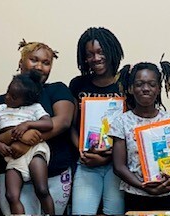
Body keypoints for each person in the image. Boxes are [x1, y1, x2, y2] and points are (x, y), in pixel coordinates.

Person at [0, 40, 76, 215]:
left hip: (54, 175)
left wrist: (28, 141)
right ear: (21, 62)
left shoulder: (58, 90)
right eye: (34, 60)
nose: (39, 66)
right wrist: (19, 136)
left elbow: (62, 122)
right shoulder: (0, 102)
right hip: (13, 173)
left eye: (46, 63)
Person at [109, 60, 170, 211]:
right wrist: (144, 187)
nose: (145, 89)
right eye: (139, 84)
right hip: (136, 196)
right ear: (130, 88)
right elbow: (118, 166)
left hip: (167, 195)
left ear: (158, 88)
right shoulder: (121, 122)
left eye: (151, 84)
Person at [69, 27, 125, 215]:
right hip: (87, 162)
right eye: (90, 54)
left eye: (101, 52)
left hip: (117, 165)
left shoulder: (125, 83)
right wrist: (82, 152)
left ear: (111, 51)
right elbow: (71, 126)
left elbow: (132, 126)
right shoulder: (78, 84)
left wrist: (110, 156)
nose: (96, 58)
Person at [0, 71, 55, 215]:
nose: (7, 97)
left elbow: (48, 124)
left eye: (13, 96)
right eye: (7, 92)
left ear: (26, 100)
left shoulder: (34, 107)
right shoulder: (1, 109)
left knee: (42, 189)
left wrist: (27, 124)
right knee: (11, 195)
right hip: (14, 156)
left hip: (35, 149)